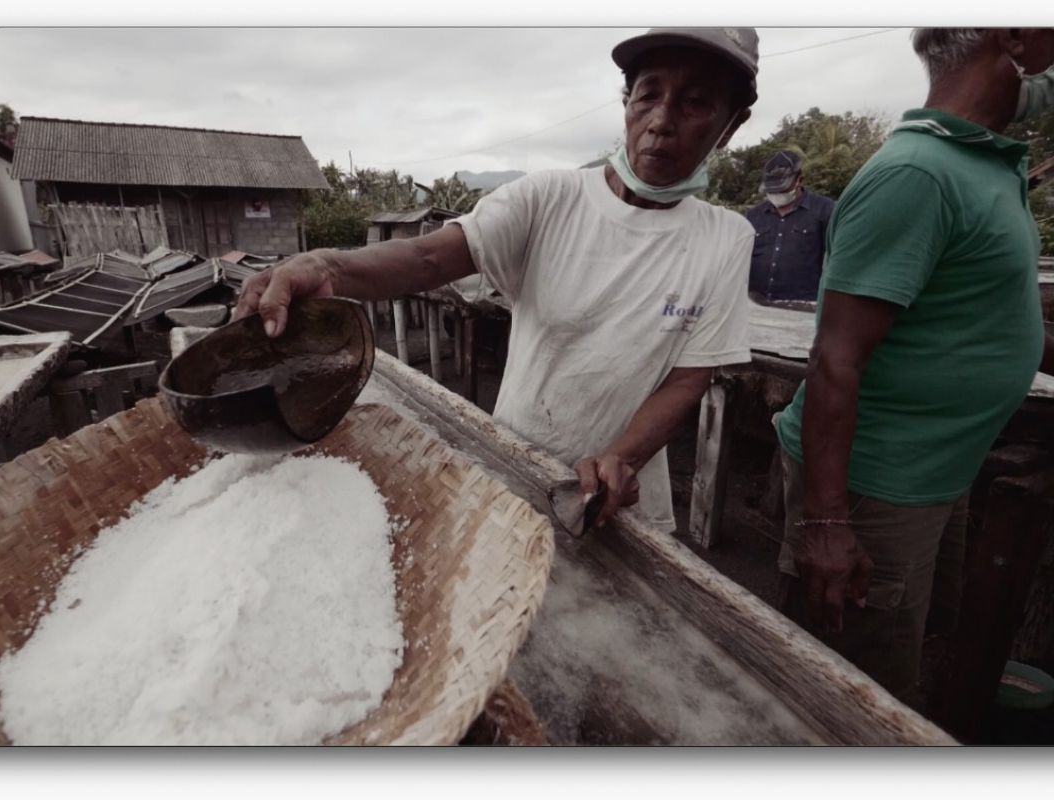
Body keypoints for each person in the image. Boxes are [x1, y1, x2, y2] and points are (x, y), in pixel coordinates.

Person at [236, 28, 761, 532]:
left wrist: (619, 459)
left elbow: (688, 378)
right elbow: (427, 258)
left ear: (732, 124)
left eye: (695, 103)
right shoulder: (548, 199)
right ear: (626, 103)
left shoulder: (724, 238)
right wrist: (327, 266)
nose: (662, 121)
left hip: (619, 497)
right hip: (513, 465)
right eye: (647, 96)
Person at [773, 27, 1054, 704]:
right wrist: (827, 524)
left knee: (905, 639)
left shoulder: (980, 163)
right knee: (843, 695)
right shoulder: (917, 175)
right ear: (1012, 35)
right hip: (873, 490)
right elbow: (835, 359)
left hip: (931, 472)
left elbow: (980, 313)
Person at [745, 150, 834, 303]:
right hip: (756, 305)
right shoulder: (754, 216)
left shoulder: (825, 211)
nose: (777, 194)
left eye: (782, 189)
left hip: (803, 307)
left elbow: (836, 259)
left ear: (800, 180)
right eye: (772, 190)